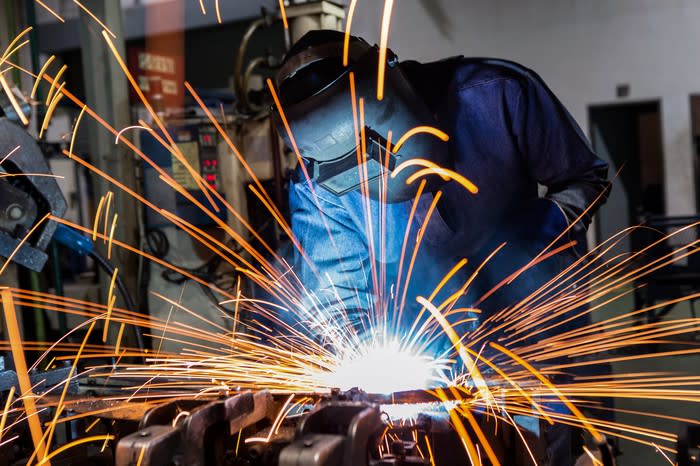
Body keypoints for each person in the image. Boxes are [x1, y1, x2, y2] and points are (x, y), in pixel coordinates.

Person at [272, 30, 610, 465]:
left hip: (532, 334)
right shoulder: (316, 184)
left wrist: (538, 240)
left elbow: (585, 177)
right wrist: (364, 356)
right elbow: (336, 295)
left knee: (547, 445)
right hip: (429, 355)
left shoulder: (499, 94)